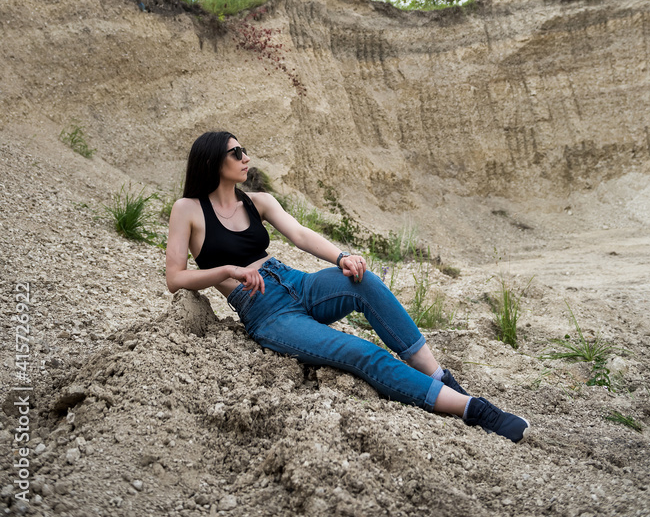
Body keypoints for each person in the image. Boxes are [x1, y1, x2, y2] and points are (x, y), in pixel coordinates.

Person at [165, 130, 529, 442]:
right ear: (214, 161)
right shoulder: (188, 209)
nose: (246, 158)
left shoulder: (258, 201)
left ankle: (439, 377)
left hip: (295, 281)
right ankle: (475, 410)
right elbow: (175, 278)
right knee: (360, 352)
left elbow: (300, 234)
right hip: (266, 311)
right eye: (236, 153)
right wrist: (226, 270)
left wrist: (341, 257)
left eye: (244, 151)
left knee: (362, 279)